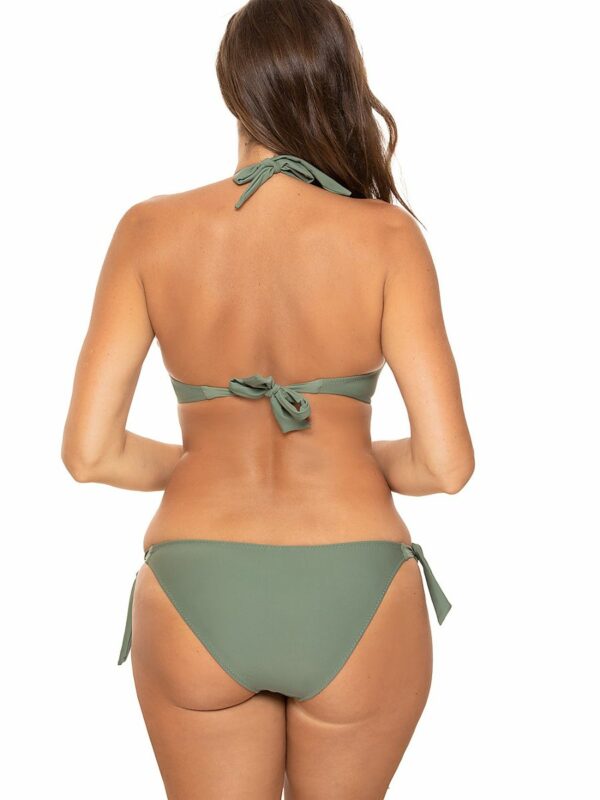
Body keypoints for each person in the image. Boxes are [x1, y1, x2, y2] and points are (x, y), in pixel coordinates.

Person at [61, 0, 474, 797]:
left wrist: (205, 457)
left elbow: (89, 454)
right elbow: (446, 466)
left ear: (231, 87)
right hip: (356, 589)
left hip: (196, 588)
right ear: (340, 82)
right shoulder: (387, 238)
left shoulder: (148, 230)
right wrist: (346, 451)